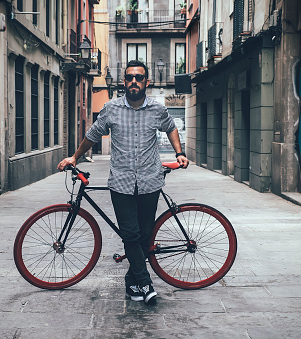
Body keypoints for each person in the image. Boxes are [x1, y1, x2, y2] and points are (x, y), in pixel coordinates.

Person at [58, 60, 189, 304]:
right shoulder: (111, 108)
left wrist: (179, 152)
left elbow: (171, 128)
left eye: (139, 78)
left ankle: (132, 285)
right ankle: (146, 283)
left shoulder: (158, 110)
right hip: (121, 183)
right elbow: (92, 135)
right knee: (130, 234)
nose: (134, 82)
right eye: (130, 78)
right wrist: (74, 157)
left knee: (143, 236)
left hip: (150, 181)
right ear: (124, 81)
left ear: (146, 82)